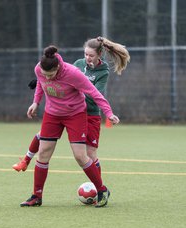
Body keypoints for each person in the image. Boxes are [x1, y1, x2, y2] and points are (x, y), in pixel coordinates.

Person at [20, 45, 121, 208]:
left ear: (58, 67)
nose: (49, 78)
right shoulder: (39, 69)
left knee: (81, 156)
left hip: (75, 114)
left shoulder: (73, 73)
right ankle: (36, 196)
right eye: (46, 75)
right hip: (52, 114)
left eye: (51, 74)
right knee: (43, 153)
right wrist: (35, 102)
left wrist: (108, 113)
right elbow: (40, 83)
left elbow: (95, 93)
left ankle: (102, 190)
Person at [13, 37, 130, 177]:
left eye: (91, 55)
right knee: (42, 135)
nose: (87, 58)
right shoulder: (78, 64)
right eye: (86, 54)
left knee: (90, 153)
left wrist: (71, 92)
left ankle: (98, 187)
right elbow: (61, 78)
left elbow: (94, 93)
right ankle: (26, 160)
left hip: (90, 113)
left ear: (99, 55)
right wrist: (44, 85)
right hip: (69, 111)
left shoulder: (103, 71)